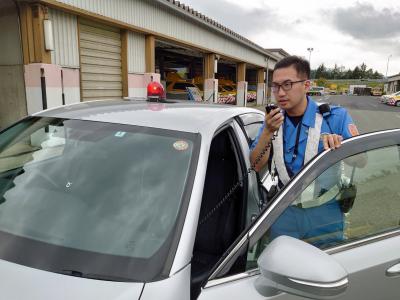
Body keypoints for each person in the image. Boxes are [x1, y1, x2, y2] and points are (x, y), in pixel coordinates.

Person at [250, 55, 360, 246]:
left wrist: (342, 147)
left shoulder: (335, 117)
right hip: (284, 210)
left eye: (287, 84)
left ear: (307, 85)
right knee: (282, 265)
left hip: (325, 210)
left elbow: (361, 160)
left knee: (325, 267)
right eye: (275, 86)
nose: (280, 93)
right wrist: (267, 132)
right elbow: (255, 164)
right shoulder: (272, 120)